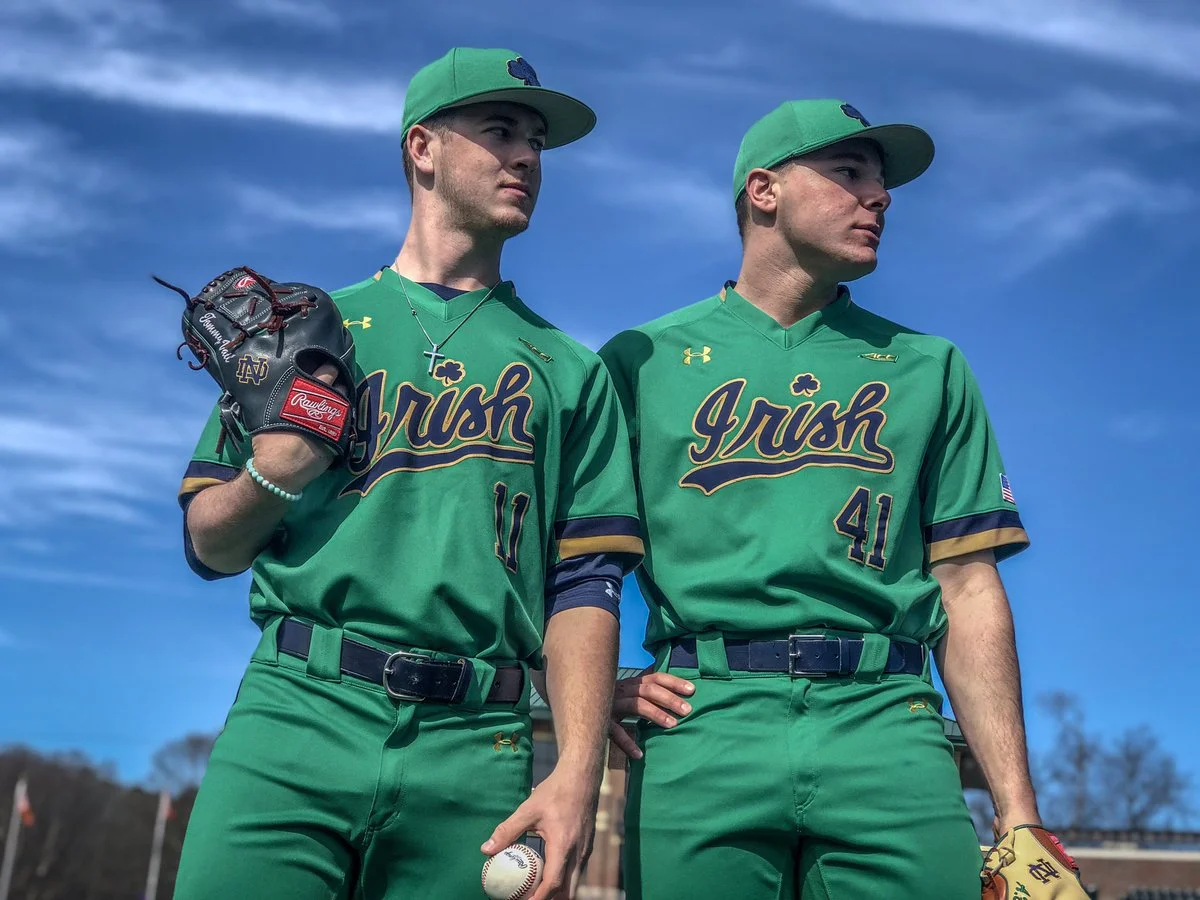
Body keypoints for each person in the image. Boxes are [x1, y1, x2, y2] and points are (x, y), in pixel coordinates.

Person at [173, 47, 642, 900]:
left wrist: (578, 772)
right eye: (500, 131)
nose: (528, 158)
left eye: (537, 141)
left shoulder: (572, 370)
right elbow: (209, 544)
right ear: (422, 148)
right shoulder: (309, 330)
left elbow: (584, 584)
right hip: (297, 714)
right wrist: (278, 471)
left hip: (477, 743)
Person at [600, 99, 1040, 899]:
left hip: (888, 718)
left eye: (881, 181)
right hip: (702, 717)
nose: (879, 196)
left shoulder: (929, 365)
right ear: (764, 191)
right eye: (848, 173)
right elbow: (565, 553)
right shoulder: (639, 360)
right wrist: (591, 687)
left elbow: (970, 587)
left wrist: (1018, 815)